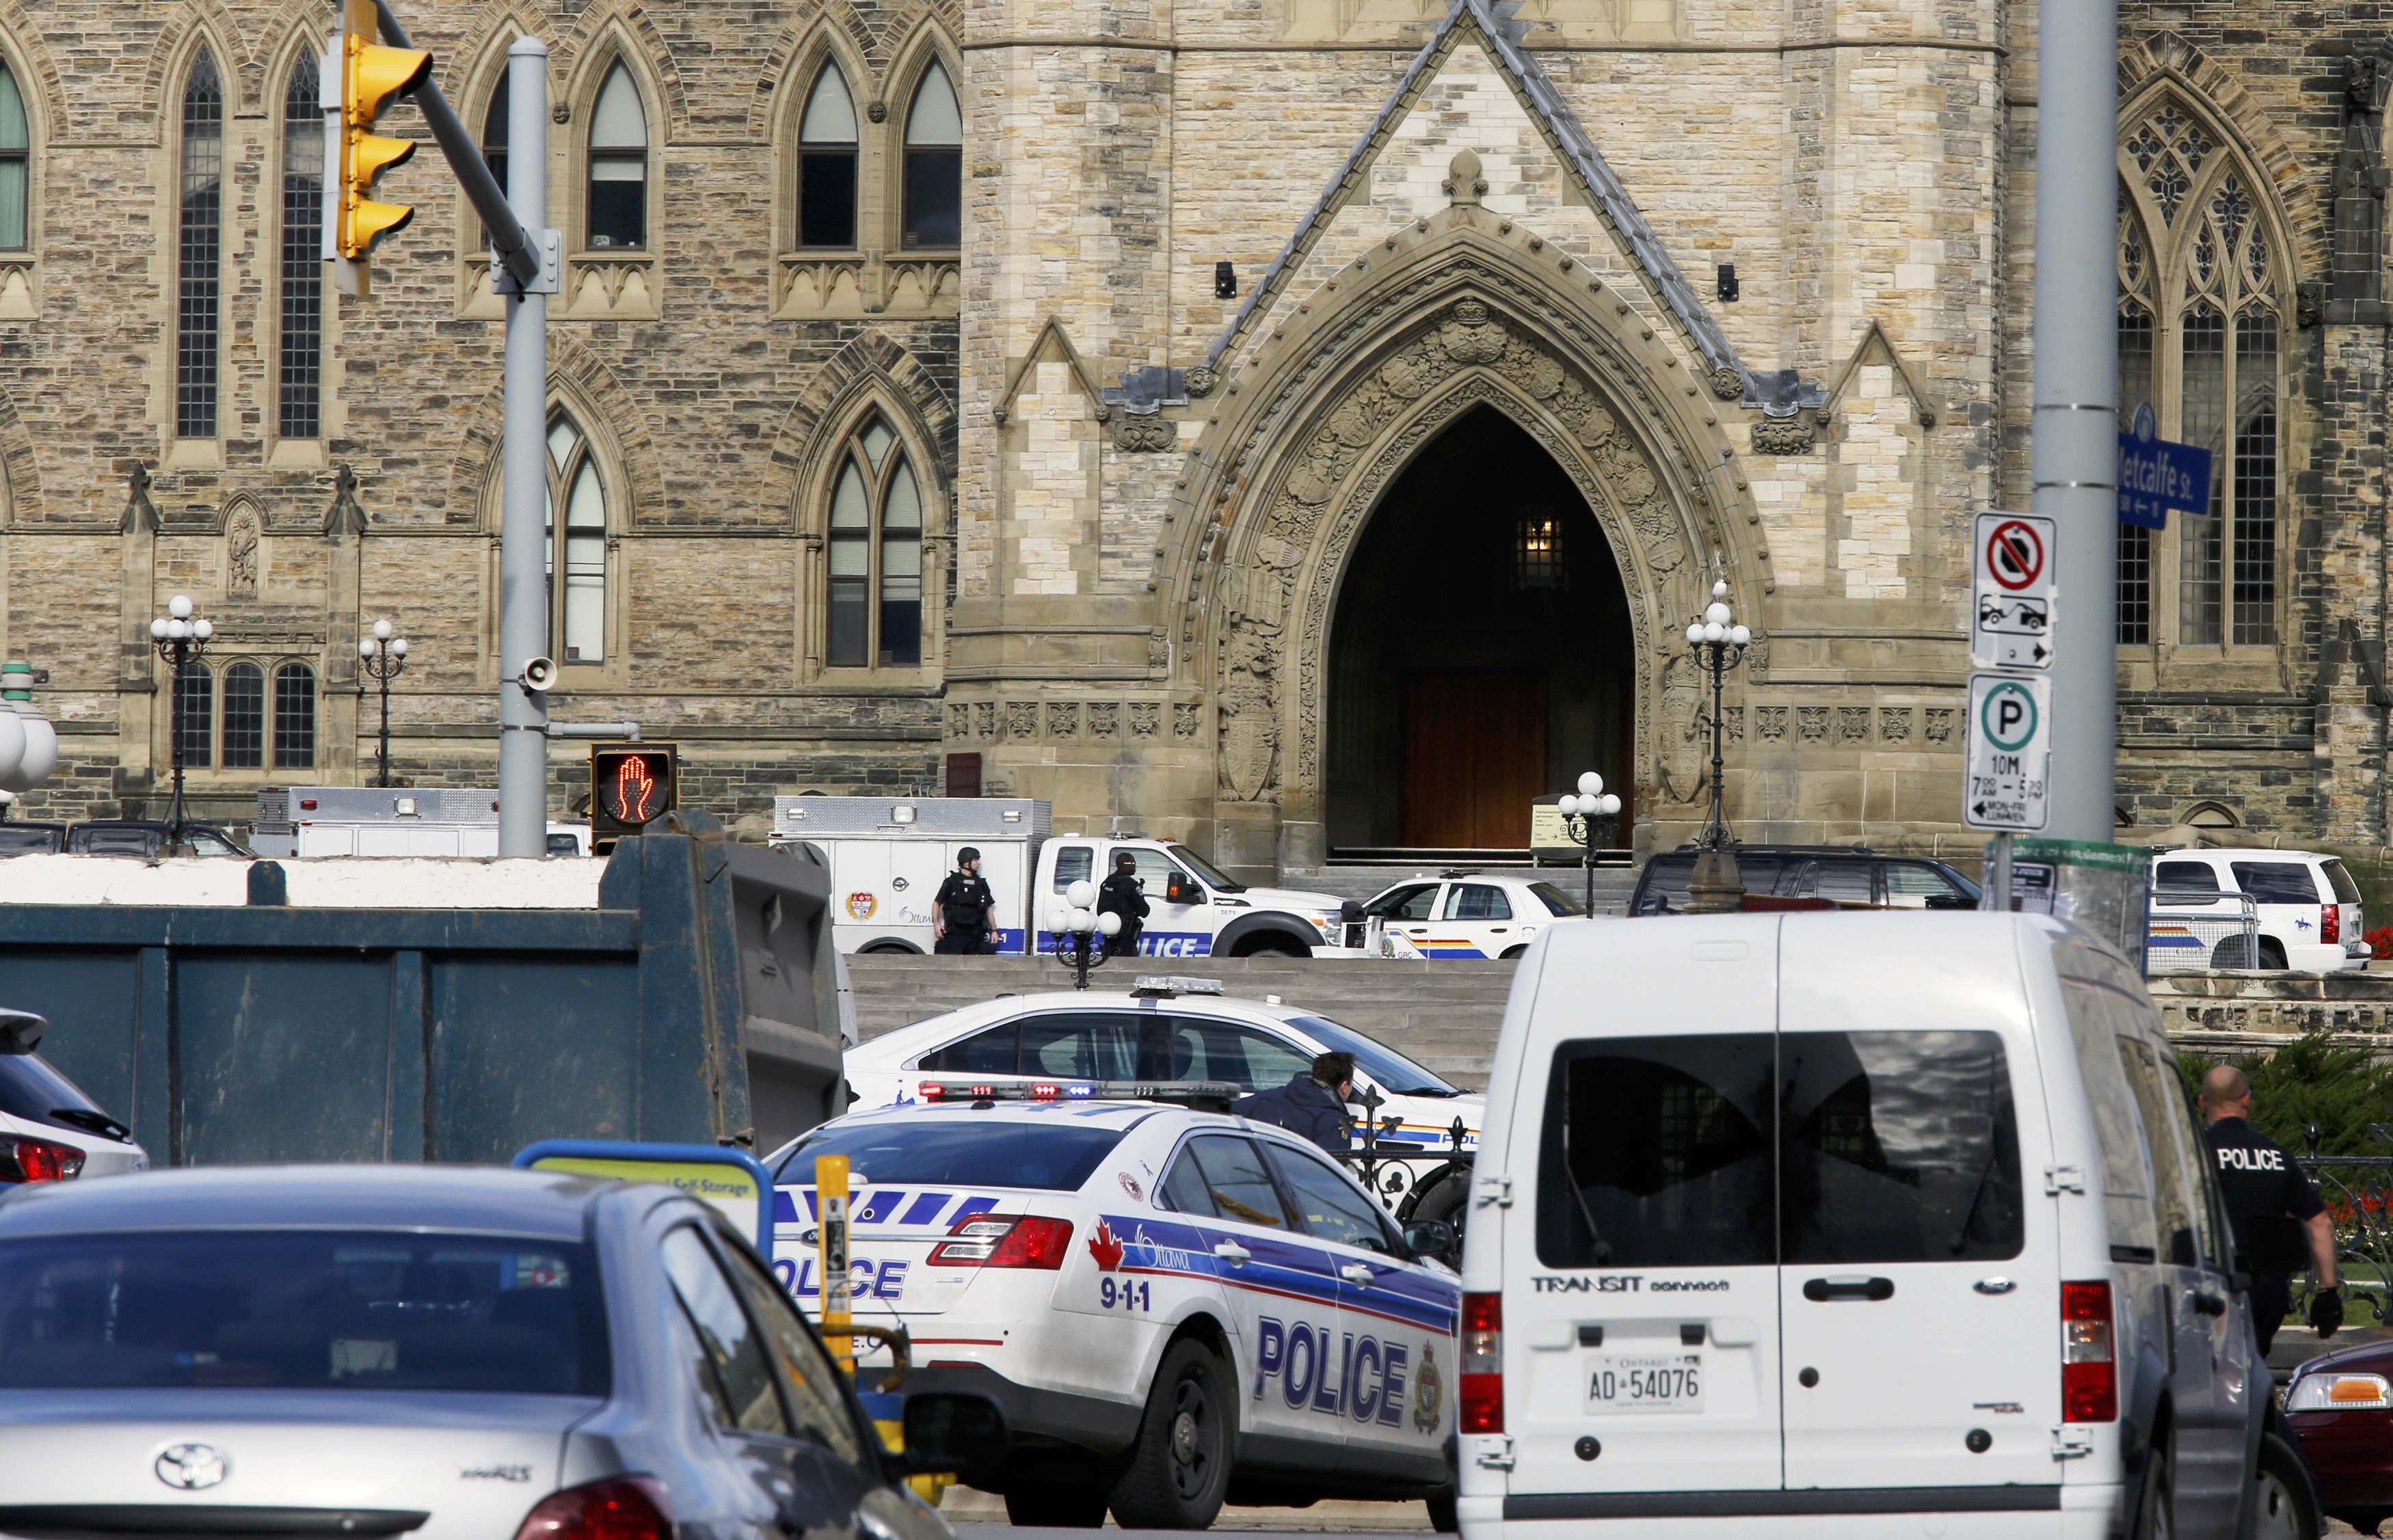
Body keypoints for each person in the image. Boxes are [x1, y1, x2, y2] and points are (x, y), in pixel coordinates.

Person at [2200, 1064, 2340, 1355]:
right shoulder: (2276, 1155)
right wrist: (2328, 1292)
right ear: (2247, 1099)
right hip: (2268, 1291)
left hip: (2209, 1288)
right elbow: (2320, 1223)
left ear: (2203, 1102)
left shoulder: (2197, 1153)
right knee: (2253, 1366)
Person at [1233, 1051, 1356, 1159]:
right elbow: (1332, 1168)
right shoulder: (1332, 1119)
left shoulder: (1268, 1098)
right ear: (1344, 1087)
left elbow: (1226, 1114)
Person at [933, 847, 997, 956]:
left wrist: (994, 930)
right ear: (967, 863)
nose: (979, 863)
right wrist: (936, 924)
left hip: (975, 936)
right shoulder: (951, 882)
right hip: (955, 935)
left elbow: (988, 908)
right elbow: (937, 903)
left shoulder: (981, 884)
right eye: (976, 860)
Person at [1097, 852, 1150, 958]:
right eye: (1132, 863)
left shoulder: (1107, 882)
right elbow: (1144, 911)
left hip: (1108, 936)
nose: (1134, 866)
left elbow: (1100, 910)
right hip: (1126, 936)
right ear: (1123, 865)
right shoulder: (1131, 885)